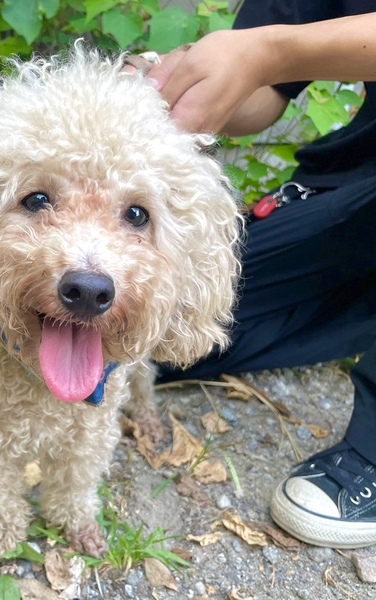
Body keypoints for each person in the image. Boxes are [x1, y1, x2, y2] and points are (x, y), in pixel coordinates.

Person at [132, 1, 376, 548]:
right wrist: (167, 82)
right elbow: (262, 95)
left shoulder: (274, 48)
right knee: (163, 336)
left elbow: (269, 56)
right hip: (358, 184)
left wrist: (270, 51)